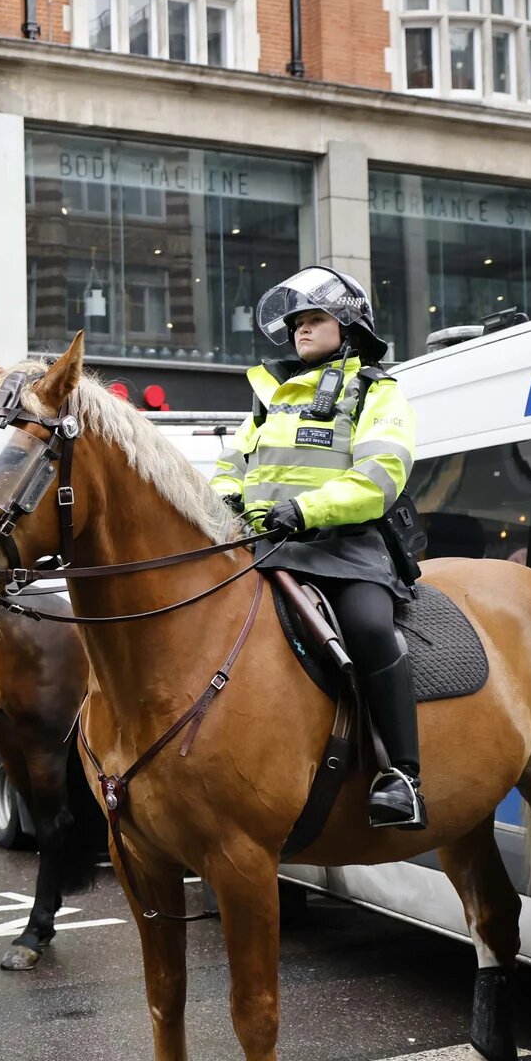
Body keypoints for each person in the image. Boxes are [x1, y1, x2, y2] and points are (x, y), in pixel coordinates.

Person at [210, 262, 425, 829]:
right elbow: (230, 467)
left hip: (344, 550)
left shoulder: (377, 391)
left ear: (347, 326)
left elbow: (382, 473)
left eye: (314, 319)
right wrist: (226, 502)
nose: (300, 329)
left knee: (372, 629)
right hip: (265, 547)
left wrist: (306, 511)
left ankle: (403, 776)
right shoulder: (268, 395)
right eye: (296, 322)